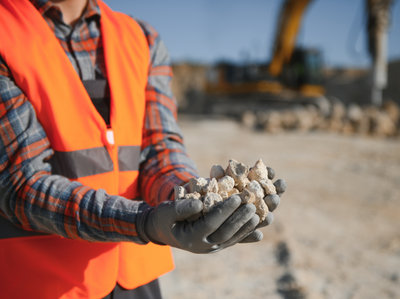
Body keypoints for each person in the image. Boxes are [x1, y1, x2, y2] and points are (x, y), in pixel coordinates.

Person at [0, 0, 285, 298]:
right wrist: (145, 222)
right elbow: (22, 184)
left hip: (134, 282)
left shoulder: (140, 37)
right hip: (41, 284)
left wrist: (189, 198)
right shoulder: (6, 32)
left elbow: (160, 151)